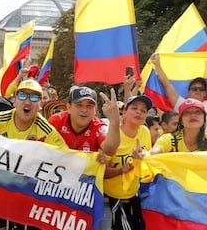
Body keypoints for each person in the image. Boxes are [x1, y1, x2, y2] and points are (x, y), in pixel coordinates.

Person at [0, 79, 67, 230]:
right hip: (0, 195)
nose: (27, 101)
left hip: (30, 201)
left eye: (34, 98)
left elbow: (67, 160)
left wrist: (93, 162)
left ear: (40, 104)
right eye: (22, 96)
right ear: (14, 100)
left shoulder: (47, 131)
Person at [104, 95, 153, 230]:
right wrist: (121, 170)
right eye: (134, 108)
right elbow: (101, 172)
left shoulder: (144, 132)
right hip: (111, 199)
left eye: (143, 110)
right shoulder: (113, 134)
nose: (139, 112)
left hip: (133, 196)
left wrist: (142, 161)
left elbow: (145, 168)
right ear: (124, 112)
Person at [48, 86, 120, 156]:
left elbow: (110, 151)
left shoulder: (99, 127)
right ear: (69, 107)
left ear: (96, 109)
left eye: (89, 106)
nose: (84, 110)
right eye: (79, 105)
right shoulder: (56, 121)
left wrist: (114, 121)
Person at [150, 53, 207, 131]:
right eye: (194, 88)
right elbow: (167, 85)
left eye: (201, 89)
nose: (198, 91)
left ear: (205, 93)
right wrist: (157, 65)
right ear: (189, 92)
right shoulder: (182, 104)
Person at [134, 98, 207, 157]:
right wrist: (144, 154)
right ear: (181, 121)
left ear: (204, 118)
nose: (193, 115)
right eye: (187, 113)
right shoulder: (168, 139)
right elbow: (154, 152)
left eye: (198, 112)